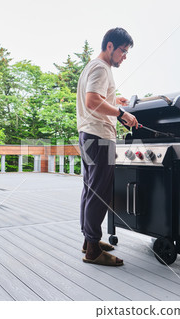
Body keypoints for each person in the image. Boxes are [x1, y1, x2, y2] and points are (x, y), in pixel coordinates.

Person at [76, 27, 138, 266]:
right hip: (99, 136)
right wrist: (122, 113)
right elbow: (92, 101)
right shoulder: (102, 68)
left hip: (88, 135)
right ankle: (93, 249)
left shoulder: (92, 66)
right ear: (110, 46)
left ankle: (88, 240)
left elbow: (95, 97)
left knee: (90, 189)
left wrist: (114, 100)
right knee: (99, 192)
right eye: (123, 51)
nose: (124, 56)